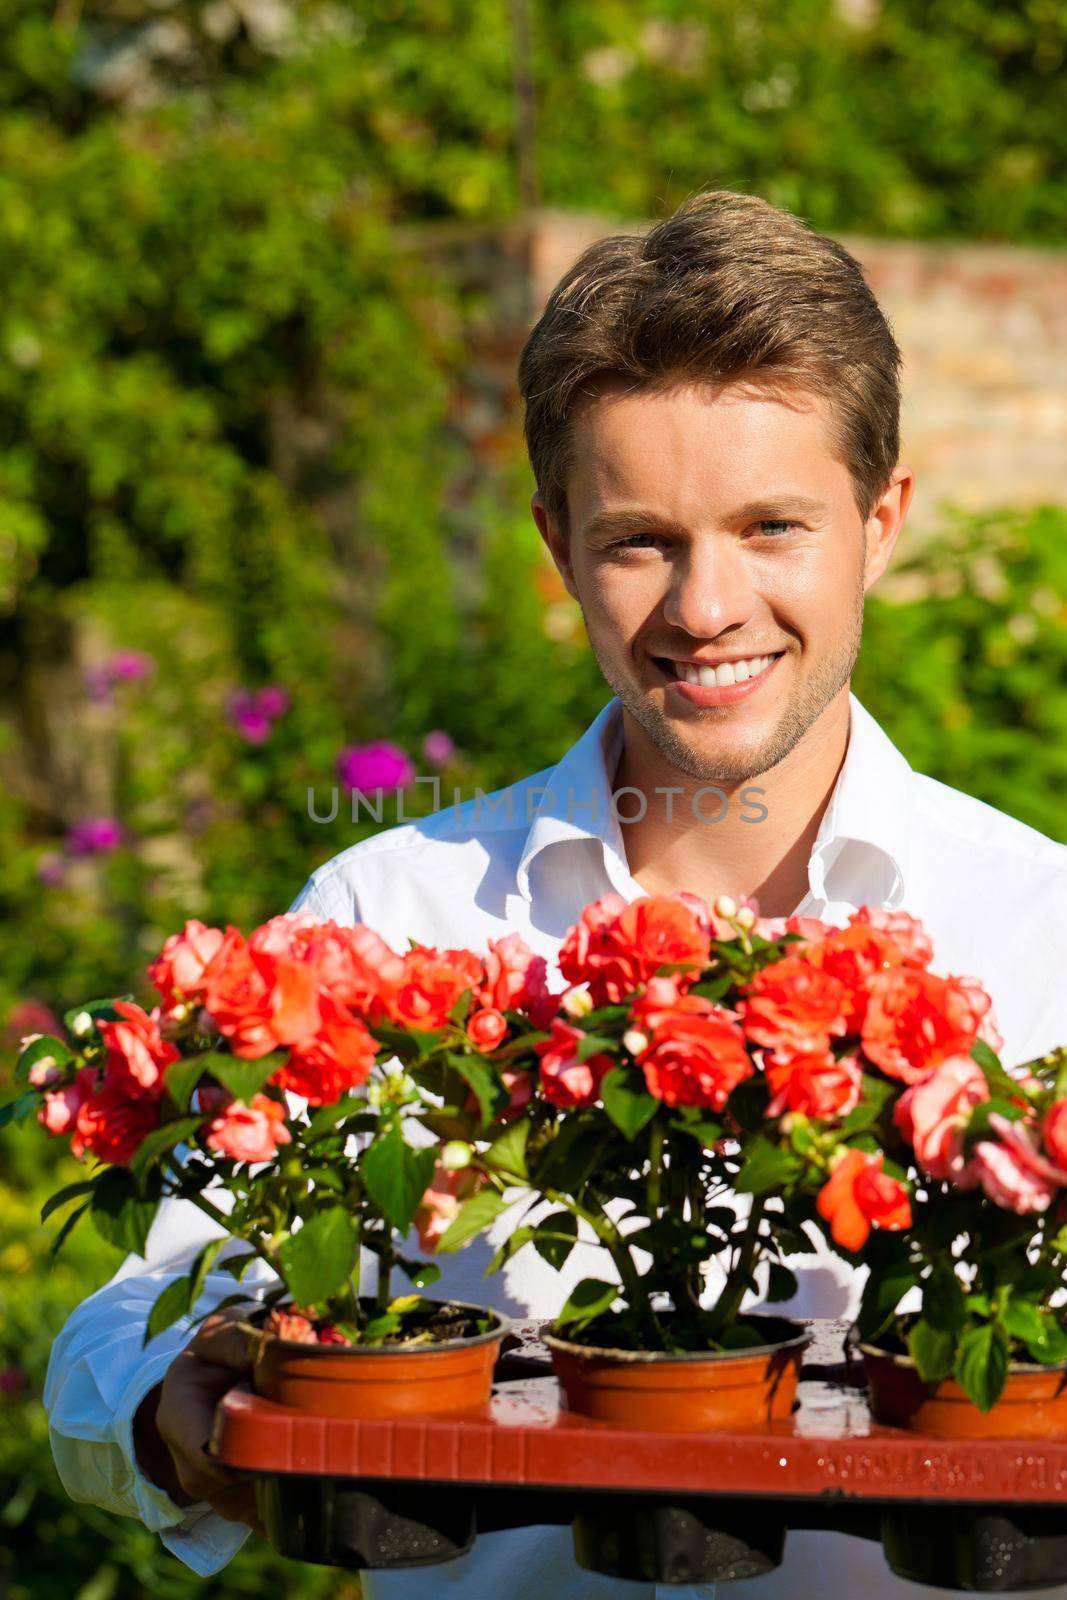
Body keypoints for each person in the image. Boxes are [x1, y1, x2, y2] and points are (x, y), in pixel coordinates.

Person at [44, 188, 1067, 1600]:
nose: (706, 607)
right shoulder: (396, 914)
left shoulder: (1038, 930)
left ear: (882, 523)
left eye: (774, 527)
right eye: (640, 539)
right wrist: (189, 1407)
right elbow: (124, 1328)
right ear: (555, 542)